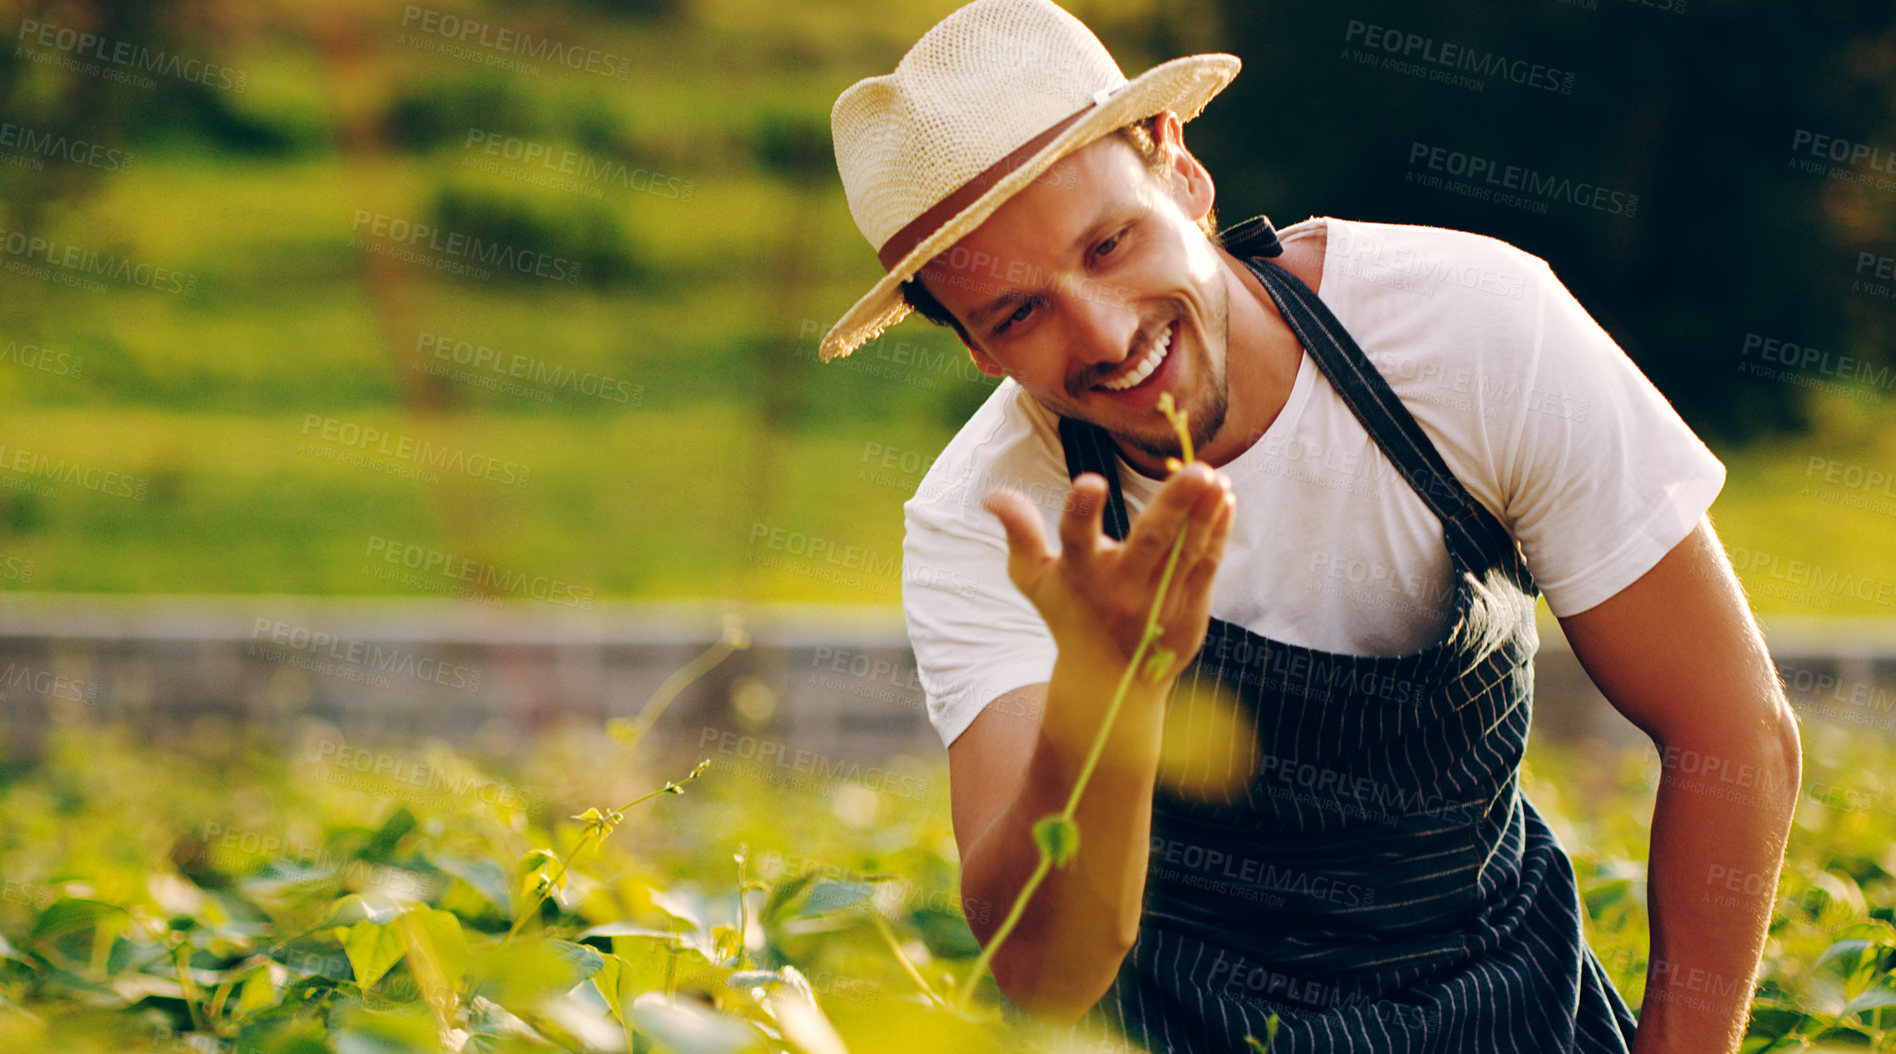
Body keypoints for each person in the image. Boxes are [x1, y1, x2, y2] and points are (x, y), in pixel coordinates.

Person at [816, 1, 1803, 1051]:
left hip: (1499, 1004)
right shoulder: (990, 522)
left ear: (1178, 172)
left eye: (1108, 245)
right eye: (1019, 314)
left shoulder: (1472, 330)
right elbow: (1045, 969)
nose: (1103, 335)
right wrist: (1107, 696)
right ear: (976, 348)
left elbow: (1730, 730)